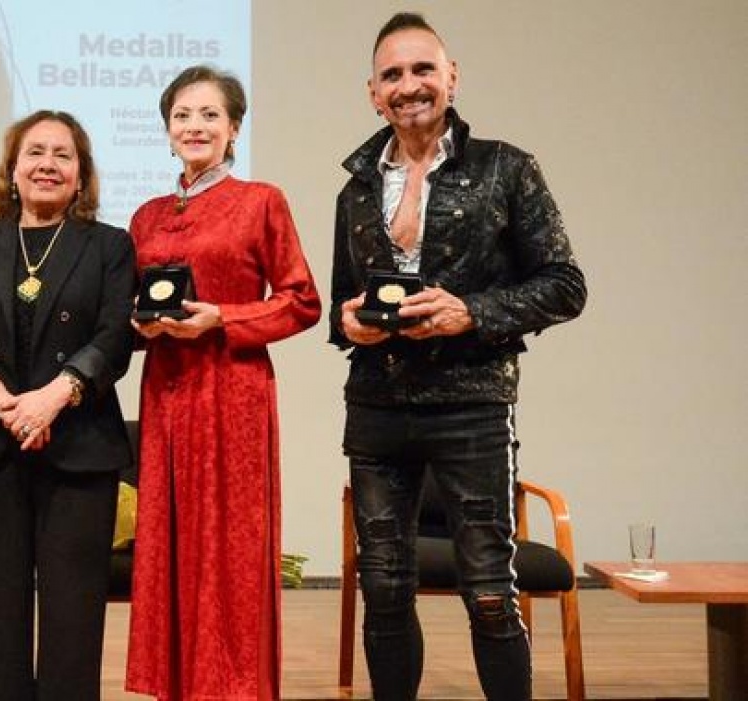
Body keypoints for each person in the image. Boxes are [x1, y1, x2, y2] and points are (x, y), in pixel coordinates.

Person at [328, 12, 587, 701]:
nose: (408, 86)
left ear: (451, 77)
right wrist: (352, 324)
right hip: (377, 409)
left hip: (473, 407)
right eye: (392, 75)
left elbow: (565, 285)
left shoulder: (508, 168)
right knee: (383, 588)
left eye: (422, 69)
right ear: (372, 92)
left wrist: (470, 311)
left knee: (489, 591)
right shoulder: (354, 189)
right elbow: (340, 308)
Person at [125, 65, 322, 700]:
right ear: (167, 130)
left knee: (231, 550)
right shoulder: (146, 214)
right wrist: (138, 326)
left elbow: (302, 301)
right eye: (182, 115)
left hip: (233, 391)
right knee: (169, 543)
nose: (195, 126)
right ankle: (176, 687)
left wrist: (222, 319)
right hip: (165, 391)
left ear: (233, 128)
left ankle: (232, 688)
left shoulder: (260, 200)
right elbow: (131, 306)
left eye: (210, 114)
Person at [0, 110, 136, 701]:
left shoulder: (110, 246)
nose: (47, 164)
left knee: (73, 618)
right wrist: (3, 401)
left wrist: (53, 399)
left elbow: (115, 336)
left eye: (63, 155)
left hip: (80, 446)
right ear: (13, 168)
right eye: (35, 152)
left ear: (81, 174)